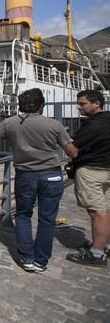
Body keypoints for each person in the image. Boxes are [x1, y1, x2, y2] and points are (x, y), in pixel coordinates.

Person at [0, 88, 77, 272]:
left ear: (21, 105)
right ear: (42, 105)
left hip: (25, 175)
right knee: (47, 219)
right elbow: (71, 152)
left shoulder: (9, 123)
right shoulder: (54, 125)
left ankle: (26, 258)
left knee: (23, 215)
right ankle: (41, 261)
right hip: (51, 174)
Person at [66, 89, 110, 266]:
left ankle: (97, 253)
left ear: (96, 103)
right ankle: (105, 245)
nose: (79, 108)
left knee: (96, 212)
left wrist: (63, 140)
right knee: (105, 210)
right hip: (108, 170)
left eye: (82, 104)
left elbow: (73, 151)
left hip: (92, 171)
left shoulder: (93, 125)